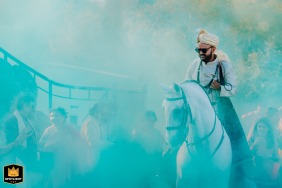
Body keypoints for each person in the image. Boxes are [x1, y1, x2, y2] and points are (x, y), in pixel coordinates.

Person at [184, 29, 256, 188]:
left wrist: (220, 87)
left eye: (203, 50)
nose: (200, 53)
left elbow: (233, 89)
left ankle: (244, 176)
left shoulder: (224, 65)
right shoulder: (194, 65)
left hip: (221, 109)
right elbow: (187, 86)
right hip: (199, 112)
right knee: (180, 133)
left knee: (237, 138)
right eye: (198, 50)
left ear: (213, 49)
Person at [39, 107, 93, 188]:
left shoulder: (69, 129)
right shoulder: (48, 130)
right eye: (52, 116)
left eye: (56, 116)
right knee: (50, 182)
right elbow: (41, 144)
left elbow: (80, 141)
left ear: (63, 117)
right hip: (50, 161)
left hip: (65, 162)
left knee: (64, 182)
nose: (53, 118)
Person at [247, 117, 280, 188]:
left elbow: (277, 159)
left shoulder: (273, 141)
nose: (261, 129)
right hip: (254, 172)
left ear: (268, 129)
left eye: (264, 127)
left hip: (268, 172)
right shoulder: (251, 140)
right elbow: (246, 155)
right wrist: (255, 144)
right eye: (259, 126)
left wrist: (274, 172)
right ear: (256, 128)